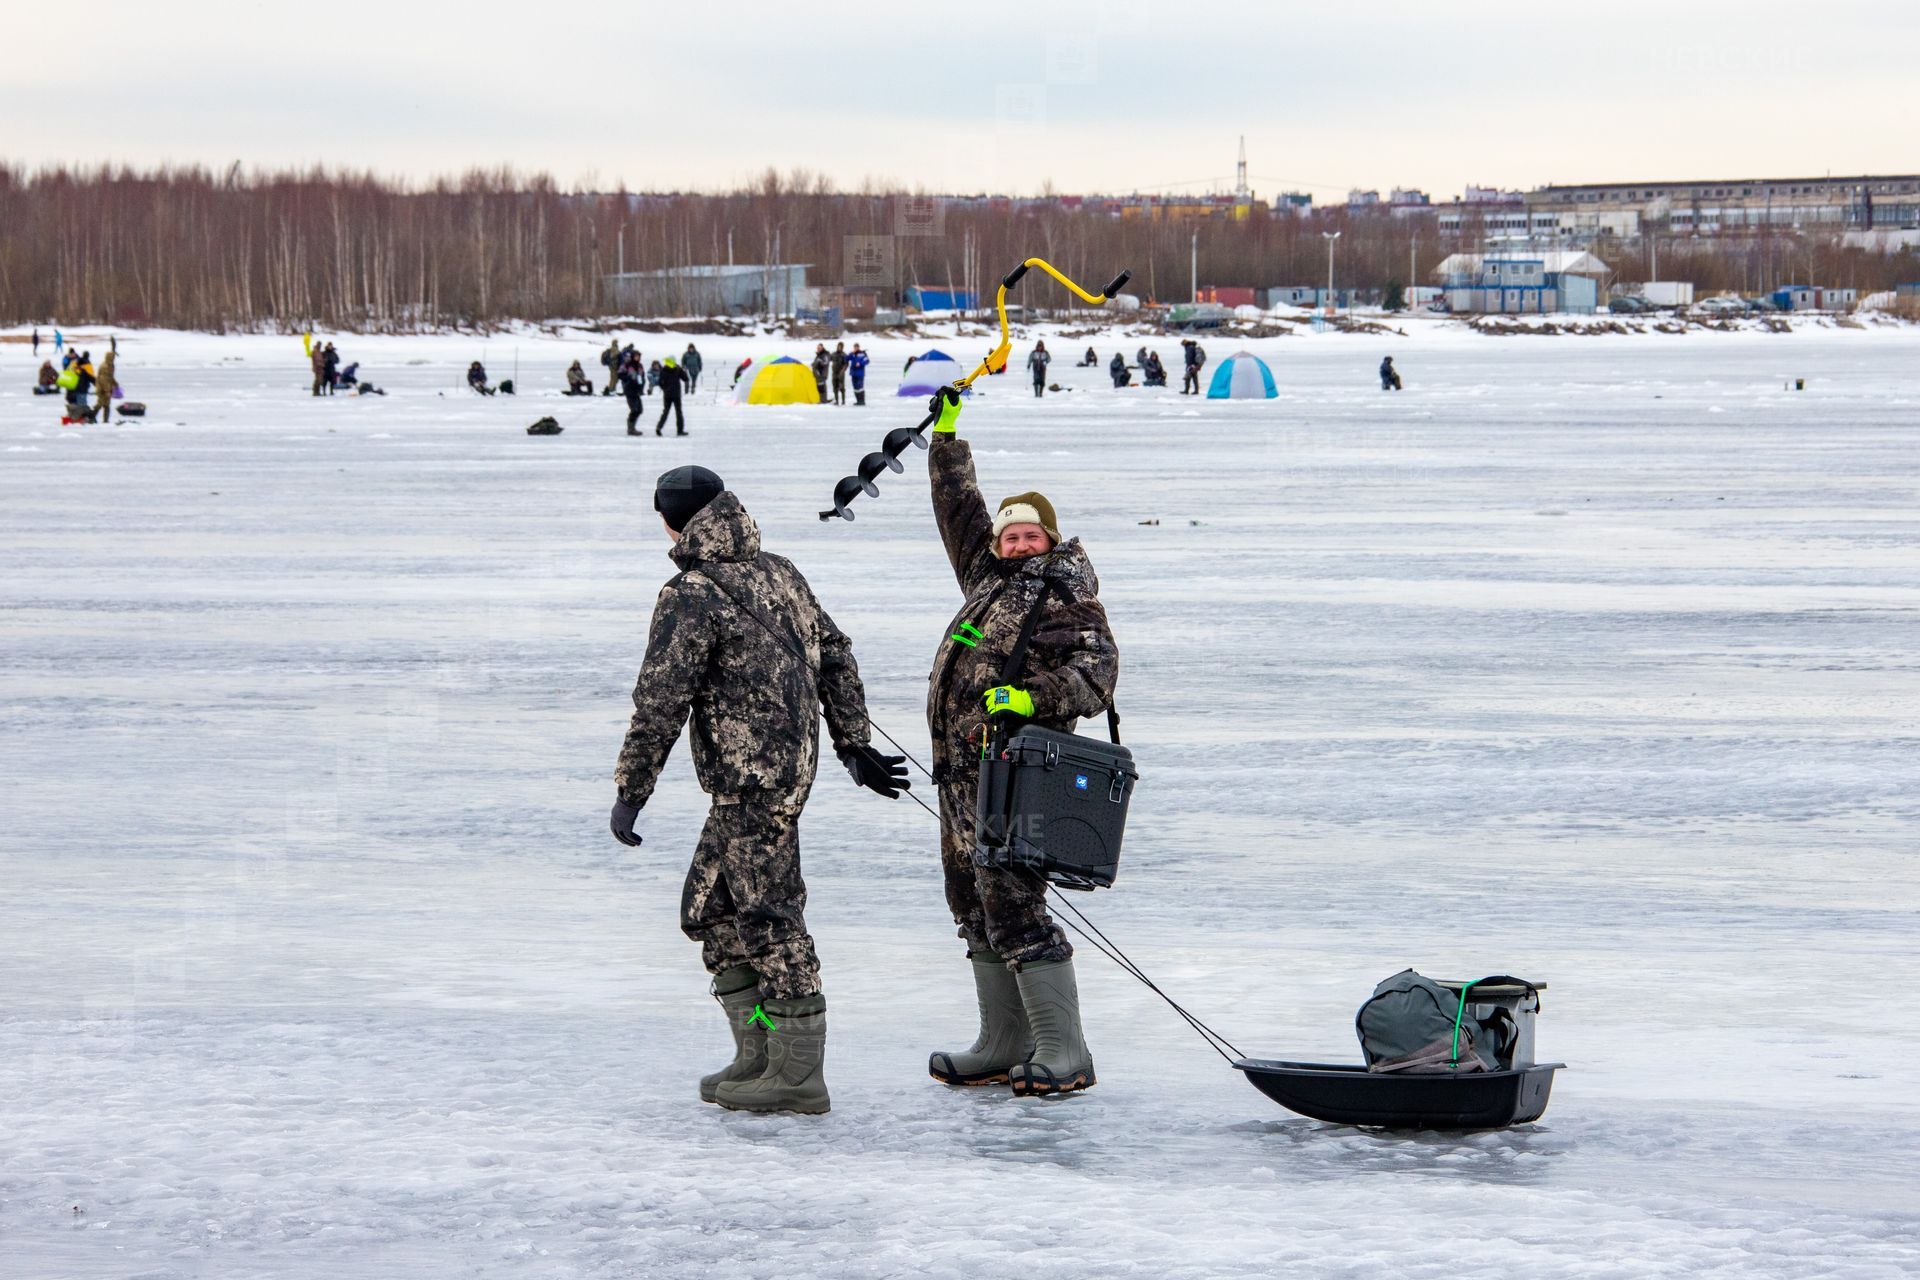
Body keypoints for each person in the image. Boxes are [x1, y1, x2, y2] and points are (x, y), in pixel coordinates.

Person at [610, 465, 908, 1114]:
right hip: (780, 776)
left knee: (771, 917)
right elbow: (839, 654)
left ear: (671, 520)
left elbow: (660, 699)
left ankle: (799, 1075)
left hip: (752, 783)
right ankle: (761, 1053)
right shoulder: (781, 571)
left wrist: (633, 787)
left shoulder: (689, 592)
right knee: (712, 910)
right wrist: (851, 745)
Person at [921, 390, 1118, 1097]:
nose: (1015, 542)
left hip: (1021, 776)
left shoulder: (1065, 595)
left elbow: (1097, 675)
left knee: (1015, 903)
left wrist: (1033, 698)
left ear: (1050, 539)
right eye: (1009, 536)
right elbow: (959, 514)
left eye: (1029, 535)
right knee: (969, 901)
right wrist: (947, 439)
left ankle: (1065, 1050)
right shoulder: (987, 582)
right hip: (960, 778)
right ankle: (1003, 1041)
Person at [655, 356, 688, 436]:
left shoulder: (664, 369)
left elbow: (660, 382)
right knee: (678, 412)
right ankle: (680, 430)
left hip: (668, 394)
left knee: (666, 411)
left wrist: (665, 389)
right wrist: (684, 371)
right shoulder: (677, 368)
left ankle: (659, 427)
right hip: (676, 394)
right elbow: (686, 378)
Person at [619, 352, 646, 435]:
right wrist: (627, 378)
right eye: (636, 356)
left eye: (639, 356)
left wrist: (641, 387)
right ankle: (630, 429)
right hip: (629, 389)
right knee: (634, 409)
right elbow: (619, 374)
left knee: (640, 410)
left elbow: (642, 376)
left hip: (637, 390)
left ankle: (632, 426)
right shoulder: (627, 365)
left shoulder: (640, 366)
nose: (637, 358)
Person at [95, 350, 116, 422]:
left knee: (107, 404)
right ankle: (92, 416)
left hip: (108, 387)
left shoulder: (110, 365)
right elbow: (103, 380)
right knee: (100, 403)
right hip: (101, 389)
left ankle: (106, 420)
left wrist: (115, 383)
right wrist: (107, 391)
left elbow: (110, 377)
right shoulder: (105, 366)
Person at [830, 342, 849, 406]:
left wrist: (843, 371)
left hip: (841, 373)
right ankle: (836, 401)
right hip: (834, 373)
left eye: (840, 347)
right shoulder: (833, 354)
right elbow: (829, 359)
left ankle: (843, 401)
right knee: (835, 387)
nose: (839, 348)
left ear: (842, 347)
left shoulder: (844, 355)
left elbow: (846, 364)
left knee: (841, 387)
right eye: (838, 346)